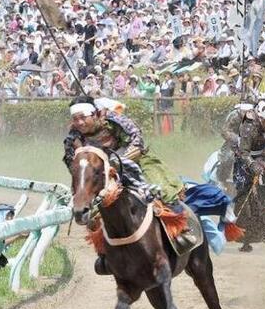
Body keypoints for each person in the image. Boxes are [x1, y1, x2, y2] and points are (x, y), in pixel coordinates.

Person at [62, 96, 187, 274]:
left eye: (83, 117)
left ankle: (180, 230)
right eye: (75, 119)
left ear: (95, 114)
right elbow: (73, 165)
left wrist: (116, 162)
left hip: (133, 162)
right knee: (93, 212)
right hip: (100, 176)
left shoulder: (114, 121)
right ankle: (106, 254)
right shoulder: (73, 137)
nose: (79, 122)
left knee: (162, 190)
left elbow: (137, 140)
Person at [218, 98, 256, 188]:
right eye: (244, 112)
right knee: (228, 157)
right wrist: (236, 138)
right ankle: (222, 180)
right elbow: (224, 131)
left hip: (250, 143)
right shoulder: (234, 116)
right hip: (233, 144)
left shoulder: (255, 117)